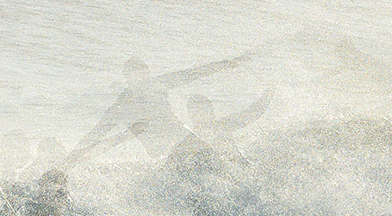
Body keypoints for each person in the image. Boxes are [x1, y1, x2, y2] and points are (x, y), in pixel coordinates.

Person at [65, 52, 254, 164]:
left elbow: (192, 74)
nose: (143, 81)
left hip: (183, 138)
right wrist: (70, 159)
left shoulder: (158, 84)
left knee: (217, 158)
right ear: (128, 79)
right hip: (163, 153)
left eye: (145, 76)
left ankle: (247, 171)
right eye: (137, 77)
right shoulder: (123, 104)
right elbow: (97, 132)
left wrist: (226, 64)